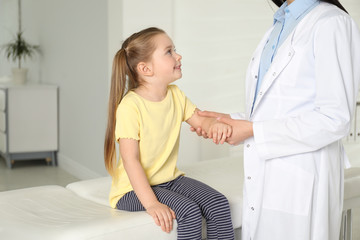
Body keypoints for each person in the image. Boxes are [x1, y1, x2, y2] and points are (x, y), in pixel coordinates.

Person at [191, 0, 360, 239]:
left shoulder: (332, 23)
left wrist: (253, 130)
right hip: (268, 175)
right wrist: (232, 120)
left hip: (301, 181)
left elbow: (334, 119)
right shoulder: (281, 23)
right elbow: (276, 108)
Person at [104, 27, 234, 240]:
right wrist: (152, 203)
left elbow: (201, 120)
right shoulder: (130, 106)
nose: (178, 55)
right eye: (169, 52)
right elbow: (131, 161)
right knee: (189, 211)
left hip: (169, 180)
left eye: (175, 50)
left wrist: (215, 125)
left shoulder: (176, 95)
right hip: (131, 190)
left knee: (218, 203)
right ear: (145, 68)